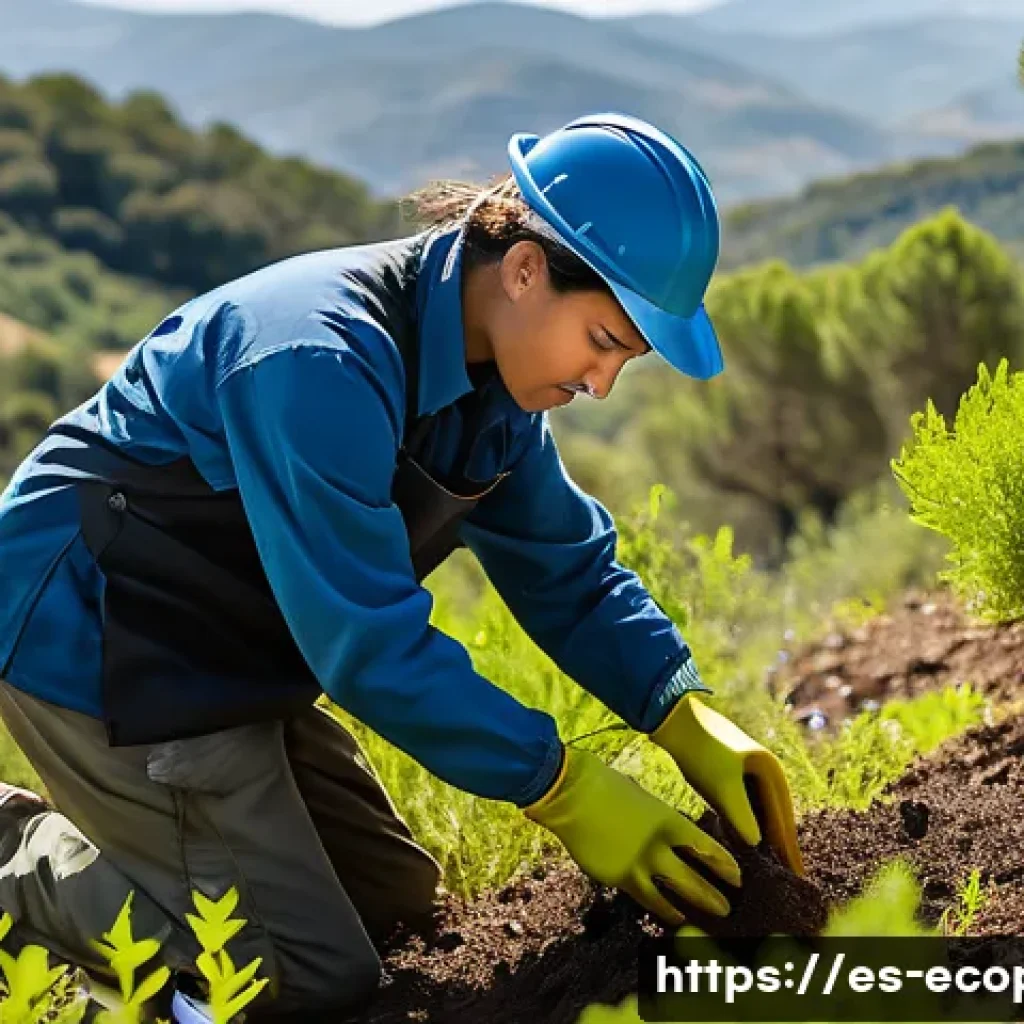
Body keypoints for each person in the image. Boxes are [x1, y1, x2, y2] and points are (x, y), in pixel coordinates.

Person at [0, 113, 803, 1022]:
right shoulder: (317, 358)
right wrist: (561, 786)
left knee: (401, 917)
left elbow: (569, 575)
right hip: (101, 631)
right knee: (296, 979)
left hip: (225, 644)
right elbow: (367, 645)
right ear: (528, 270)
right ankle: (14, 861)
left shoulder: (493, 393)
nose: (601, 383)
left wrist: (680, 710)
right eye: (605, 342)